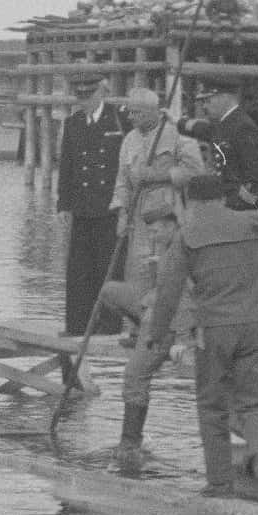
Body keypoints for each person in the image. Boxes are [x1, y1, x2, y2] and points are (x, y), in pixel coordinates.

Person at [142, 173, 258, 500]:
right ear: (221, 198)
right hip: (252, 325)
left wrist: (157, 334)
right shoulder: (250, 221)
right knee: (254, 400)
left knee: (212, 404)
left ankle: (220, 483)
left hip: (213, 329)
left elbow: (168, 290)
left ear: (190, 202)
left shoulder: (186, 235)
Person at [99, 202, 194, 472]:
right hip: (154, 309)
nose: (152, 237)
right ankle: (138, 329)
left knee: (134, 375)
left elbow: (187, 301)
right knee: (109, 291)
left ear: (170, 226)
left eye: (155, 232)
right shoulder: (169, 246)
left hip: (168, 323)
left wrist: (181, 341)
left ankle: (130, 444)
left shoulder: (182, 251)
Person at [56, 68, 128, 337]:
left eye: (89, 94)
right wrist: (63, 204)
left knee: (108, 271)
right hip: (82, 208)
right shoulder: (73, 123)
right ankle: (76, 327)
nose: (84, 100)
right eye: (80, 96)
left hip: (110, 209)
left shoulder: (119, 120)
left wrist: (125, 207)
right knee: (78, 272)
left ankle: (109, 329)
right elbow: (67, 166)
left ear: (102, 91)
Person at [111, 86, 203, 283]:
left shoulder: (178, 134)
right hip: (138, 219)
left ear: (153, 112)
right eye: (129, 112)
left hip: (169, 215)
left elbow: (196, 172)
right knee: (138, 274)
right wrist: (121, 212)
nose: (130, 117)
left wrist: (159, 175)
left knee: (169, 271)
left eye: (136, 112)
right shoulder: (129, 140)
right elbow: (122, 181)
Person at [179, 77, 258, 211]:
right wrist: (177, 122)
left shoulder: (243, 126)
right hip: (226, 200)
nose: (204, 106)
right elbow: (202, 129)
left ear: (224, 98)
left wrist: (233, 206)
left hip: (240, 209)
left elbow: (254, 175)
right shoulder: (225, 122)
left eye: (208, 101)